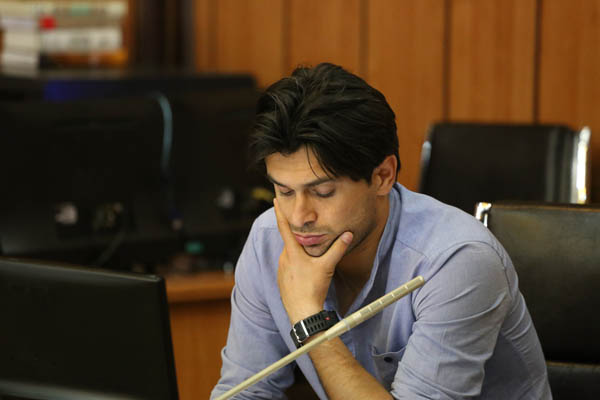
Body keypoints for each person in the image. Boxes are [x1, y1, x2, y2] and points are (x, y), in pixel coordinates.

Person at [210, 63, 551, 399]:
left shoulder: (458, 260)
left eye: (323, 192)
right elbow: (244, 391)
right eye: (284, 191)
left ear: (383, 176)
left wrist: (309, 319)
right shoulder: (269, 240)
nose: (299, 217)